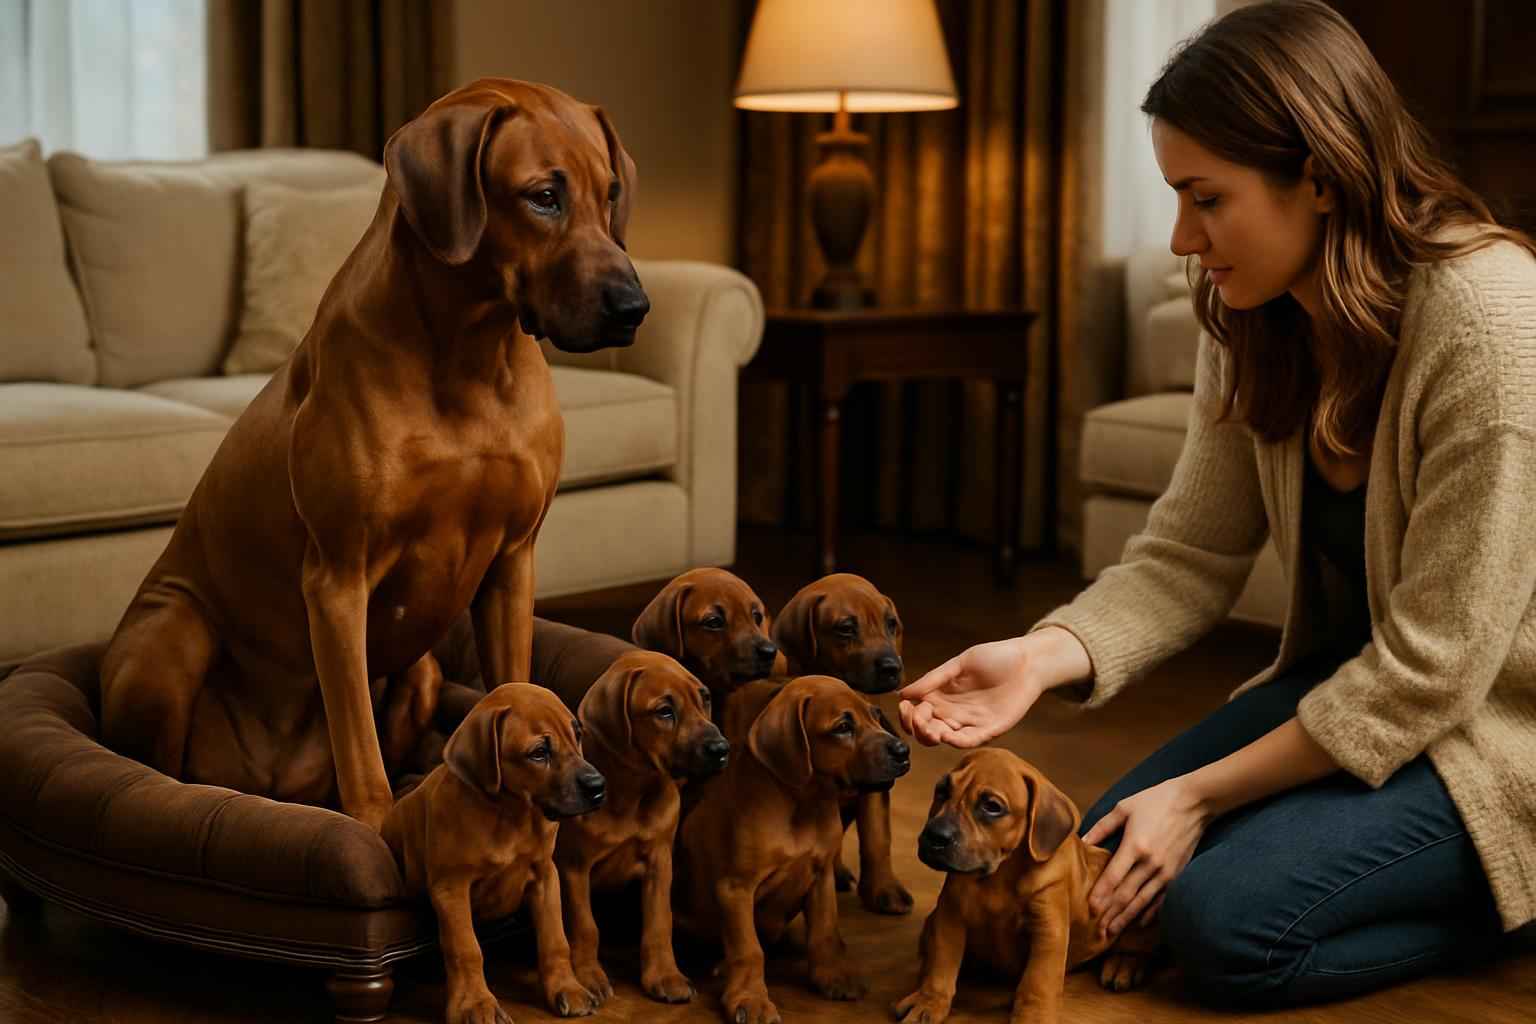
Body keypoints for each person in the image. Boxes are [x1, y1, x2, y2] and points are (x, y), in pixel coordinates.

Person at [897, 0, 1536, 1010]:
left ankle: (1519, 885)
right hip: (1350, 697)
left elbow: (1437, 668)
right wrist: (1039, 655)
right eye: (1174, 198)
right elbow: (1188, 554)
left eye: (1207, 198)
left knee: (1215, 923)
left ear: (1319, 177)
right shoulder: (1250, 316)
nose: (1185, 238)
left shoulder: (1490, 323)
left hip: (1497, 732)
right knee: (1101, 878)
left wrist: (1196, 797)